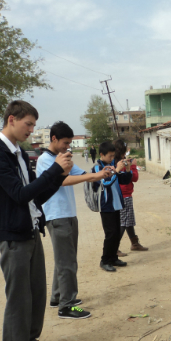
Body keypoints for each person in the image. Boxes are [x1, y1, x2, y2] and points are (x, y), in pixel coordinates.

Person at [0, 100, 73, 341]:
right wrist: (55, 170)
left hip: (30, 229)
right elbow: (19, 195)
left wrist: (58, 176)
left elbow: (34, 195)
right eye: (28, 124)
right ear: (11, 120)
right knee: (18, 298)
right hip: (12, 236)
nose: (32, 129)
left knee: (36, 293)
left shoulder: (19, 152)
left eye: (33, 124)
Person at [36, 122, 112, 320]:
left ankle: (57, 296)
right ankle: (67, 306)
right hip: (56, 215)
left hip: (68, 214)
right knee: (67, 262)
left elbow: (83, 175)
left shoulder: (65, 158)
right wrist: (95, 175)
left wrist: (102, 173)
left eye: (70, 143)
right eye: (65, 143)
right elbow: (62, 180)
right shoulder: (45, 160)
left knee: (64, 260)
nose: (67, 147)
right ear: (54, 139)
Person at [92, 141, 132, 272]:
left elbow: (125, 181)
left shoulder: (113, 166)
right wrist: (117, 171)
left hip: (116, 204)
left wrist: (126, 169)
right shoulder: (98, 168)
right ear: (102, 154)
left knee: (116, 233)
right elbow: (105, 183)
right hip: (106, 206)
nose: (112, 158)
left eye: (113, 156)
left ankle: (113, 257)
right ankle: (105, 260)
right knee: (110, 233)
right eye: (110, 156)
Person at [115, 140, 148, 254]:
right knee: (124, 222)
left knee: (128, 221)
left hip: (122, 195)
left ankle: (134, 243)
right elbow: (134, 178)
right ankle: (114, 247)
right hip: (124, 195)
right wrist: (133, 166)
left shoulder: (116, 163)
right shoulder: (121, 164)